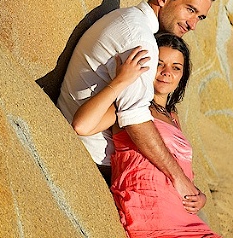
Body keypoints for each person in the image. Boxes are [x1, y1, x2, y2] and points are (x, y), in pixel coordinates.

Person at [57, 0, 219, 202]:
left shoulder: (130, 20)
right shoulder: (140, 39)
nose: (193, 24)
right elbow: (134, 119)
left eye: (200, 17)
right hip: (94, 155)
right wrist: (179, 178)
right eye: (190, 10)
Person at [72, 33, 221, 238]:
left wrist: (200, 197)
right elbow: (82, 125)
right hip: (152, 217)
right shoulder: (132, 107)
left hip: (187, 219)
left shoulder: (173, 116)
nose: (166, 72)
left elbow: (179, 168)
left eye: (176, 68)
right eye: (160, 64)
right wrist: (121, 81)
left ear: (182, 76)